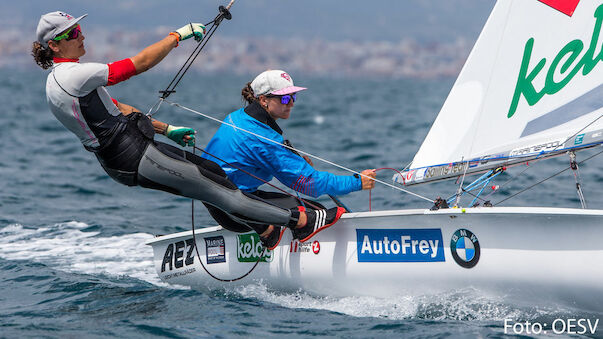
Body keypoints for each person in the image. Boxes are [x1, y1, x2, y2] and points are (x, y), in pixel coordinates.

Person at [32, 11, 343, 250]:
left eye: (79, 29)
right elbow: (138, 64)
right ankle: (301, 221)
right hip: (134, 156)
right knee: (216, 188)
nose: (81, 36)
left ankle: (266, 230)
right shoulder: (71, 75)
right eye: (72, 33)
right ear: (53, 44)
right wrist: (176, 36)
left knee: (213, 171)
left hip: (133, 153)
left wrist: (168, 129)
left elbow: (117, 109)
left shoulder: (61, 82)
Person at [202, 70, 376, 247]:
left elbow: (250, 161)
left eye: (293, 97)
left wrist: (293, 162)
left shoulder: (238, 117)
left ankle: (273, 238)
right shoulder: (262, 139)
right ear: (263, 100)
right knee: (317, 212)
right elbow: (311, 184)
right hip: (237, 213)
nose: (291, 104)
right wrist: (358, 182)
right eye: (285, 99)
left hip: (223, 205)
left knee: (303, 209)